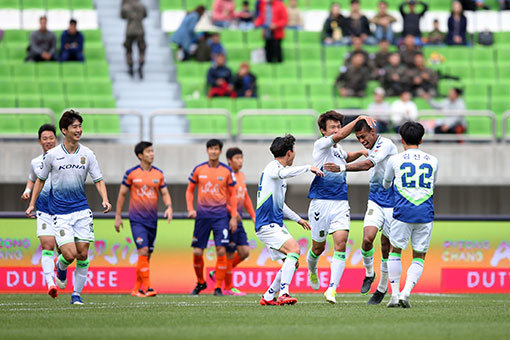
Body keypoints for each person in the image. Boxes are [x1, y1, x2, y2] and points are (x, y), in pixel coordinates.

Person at [25, 110, 112, 305]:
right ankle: (61, 266)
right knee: (69, 254)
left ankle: (76, 295)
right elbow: (40, 180)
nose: (78, 130)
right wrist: (32, 204)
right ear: (64, 130)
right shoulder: (53, 155)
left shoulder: (88, 154)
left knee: (83, 254)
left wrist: (105, 199)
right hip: (60, 213)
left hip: (81, 210)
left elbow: (98, 179)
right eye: (74, 127)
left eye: (80, 126)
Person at [324, 119, 398, 304]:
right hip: (375, 201)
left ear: (372, 131)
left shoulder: (386, 144)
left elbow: (367, 165)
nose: (361, 141)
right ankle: (369, 273)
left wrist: (341, 168)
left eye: (363, 137)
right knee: (367, 240)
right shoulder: (371, 146)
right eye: (358, 138)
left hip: (393, 202)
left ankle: (381, 288)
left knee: (386, 246)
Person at [305, 112, 373, 304]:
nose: (336, 130)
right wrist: (359, 119)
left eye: (338, 126)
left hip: (341, 203)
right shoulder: (321, 145)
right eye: (332, 127)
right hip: (320, 202)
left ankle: (332, 289)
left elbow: (345, 156)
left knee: (341, 243)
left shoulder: (338, 149)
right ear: (323, 131)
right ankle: (312, 269)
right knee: (318, 248)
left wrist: (359, 153)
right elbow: (342, 135)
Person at [257, 135, 324, 306]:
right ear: (289, 152)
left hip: (275, 223)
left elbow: (281, 204)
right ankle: (284, 293)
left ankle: (268, 296)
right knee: (294, 249)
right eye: (294, 151)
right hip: (267, 224)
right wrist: (308, 167)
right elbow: (284, 173)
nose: (294, 155)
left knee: (291, 263)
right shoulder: (274, 168)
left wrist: (298, 219)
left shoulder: (277, 173)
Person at [383, 121, 439, 308]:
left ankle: (394, 294)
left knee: (395, 251)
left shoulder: (395, 159)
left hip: (402, 211)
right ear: (421, 139)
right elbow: (432, 184)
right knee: (419, 255)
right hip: (424, 212)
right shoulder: (433, 160)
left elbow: (386, 184)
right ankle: (406, 293)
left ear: (402, 139)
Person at [114, 141, 173, 298]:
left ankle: (136, 289)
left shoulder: (158, 174)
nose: (151, 154)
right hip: (137, 219)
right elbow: (122, 194)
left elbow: (165, 193)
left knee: (146, 255)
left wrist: (169, 207)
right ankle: (148, 287)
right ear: (140, 155)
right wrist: (118, 216)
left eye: (152, 151)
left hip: (152, 220)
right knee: (143, 250)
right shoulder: (131, 174)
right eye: (148, 152)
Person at [186, 139, 238, 296]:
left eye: (216, 149)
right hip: (202, 216)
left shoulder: (226, 171)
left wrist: (233, 216)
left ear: (220, 151)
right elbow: (189, 190)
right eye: (211, 149)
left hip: (220, 216)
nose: (213, 151)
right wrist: (190, 209)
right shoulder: (199, 169)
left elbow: (233, 194)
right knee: (196, 252)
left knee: (221, 250)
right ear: (207, 151)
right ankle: (200, 282)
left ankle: (218, 287)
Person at [209, 147, 256, 296]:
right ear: (229, 160)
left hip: (238, 219)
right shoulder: (224, 175)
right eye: (237, 158)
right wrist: (233, 213)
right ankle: (228, 287)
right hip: (228, 219)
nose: (240, 161)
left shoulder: (241, 176)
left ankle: (218, 272)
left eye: (241, 158)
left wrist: (254, 216)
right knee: (229, 253)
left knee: (244, 252)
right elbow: (220, 198)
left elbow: (246, 197)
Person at [21, 124, 58, 299]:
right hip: (44, 210)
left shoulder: (64, 159)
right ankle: (51, 283)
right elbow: (32, 180)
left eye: (51, 138)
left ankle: (62, 269)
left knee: (68, 252)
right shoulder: (35, 162)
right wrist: (28, 192)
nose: (48, 141)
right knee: (47, 246)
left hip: (65, 210)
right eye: (45, 139)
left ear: (56, 139)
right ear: (40, 141)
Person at [121, 0, 147, 79]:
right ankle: (140, 64)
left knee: (128, 49)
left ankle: (130, 65)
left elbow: (122, 16)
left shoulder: (126, 7)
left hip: (130, 31)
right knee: (141, 49)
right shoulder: (142, 6)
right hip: (140, 30)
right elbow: (145, 15)